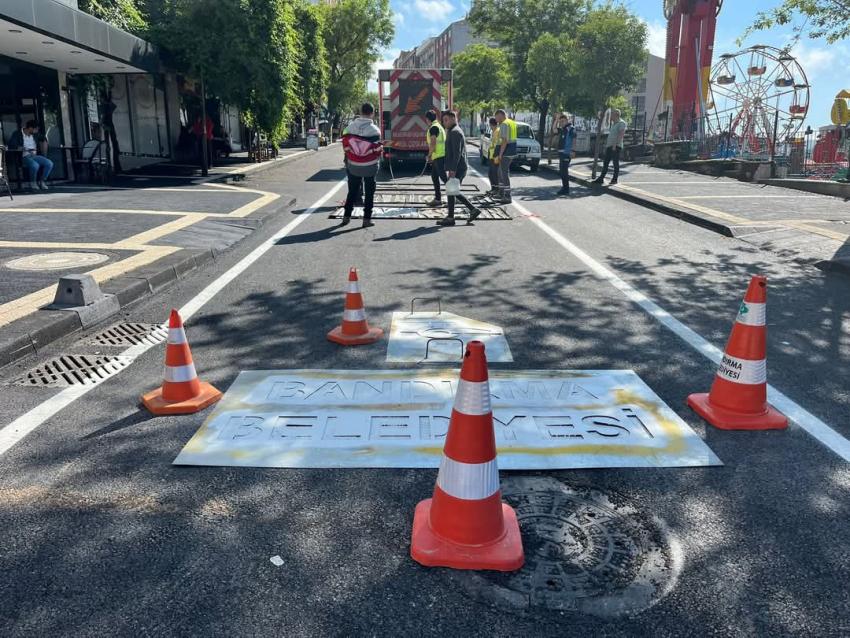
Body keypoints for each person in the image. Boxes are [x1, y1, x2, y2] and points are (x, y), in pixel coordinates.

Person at [341, 102, 383, 228]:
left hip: (353, 165)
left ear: (360, 111)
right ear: (372, 113)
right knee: (370, 192)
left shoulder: (350, 127)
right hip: (370, 166)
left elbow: (345, 146)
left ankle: (346, 216)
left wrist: (351, 157)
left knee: (352, 191)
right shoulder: (375, 130)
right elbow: (377, 150)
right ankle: (367, 219)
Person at [437, 110, 481, 227]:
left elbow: (457, 153)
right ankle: (451, 217)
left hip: (458, 167)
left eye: (446, 120)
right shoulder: (452, 131)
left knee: (453, 190)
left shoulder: (455, 132)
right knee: (451, 191)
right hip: (457, 167)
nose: (444, 122)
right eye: (443, 120)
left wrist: (453, 169)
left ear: (453, 118)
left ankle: (472, 209)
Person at [9, 120, 53, 191]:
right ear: (30, 128)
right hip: (24, 156)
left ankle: (42, 181)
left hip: (34, 156)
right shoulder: (17, 134)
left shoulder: (35, 134)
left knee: (49, 163)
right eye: (36, 129)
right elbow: (11, 145)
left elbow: (43, 138)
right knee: (35, 165)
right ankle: (33, 182)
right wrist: (20, 148)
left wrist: (44, 148)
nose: (37, 131)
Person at [593, 108, 626, 186]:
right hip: (609, 146)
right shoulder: (613, 124)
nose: (610, 116)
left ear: (616, 115)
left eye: (612, 114)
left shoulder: (621, 123)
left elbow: (621, 135)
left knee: (615, 163)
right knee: (606, 163)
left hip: (616, 146)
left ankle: (614, 179)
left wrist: (615, 145)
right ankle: (601, 178)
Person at [494, 109, 517, 203]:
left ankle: (507, 196)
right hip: (512, 150)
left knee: (504, 173)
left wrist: (500, 154)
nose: (496, 119)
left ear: (500, 115)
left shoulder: (504, 124)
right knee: (500, 172)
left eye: (496, 117)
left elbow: (504, 141)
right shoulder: (511, 122)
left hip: (506, 152)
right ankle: (501, 193)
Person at [425, 109, 447, 206]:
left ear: (427, 119)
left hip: (438, 156)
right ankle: (438, 199)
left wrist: (429, 155)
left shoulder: (433, 128)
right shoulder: (439, 126)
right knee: (434, 177)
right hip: (439, 156)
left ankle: (456, 196)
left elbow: (433, 143)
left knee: (444, 179)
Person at [556, 114, 576, 196]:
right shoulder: (562, 129)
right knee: (562, 171)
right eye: (560, 122)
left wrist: (573, 150)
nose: (561, 123)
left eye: (563, 121)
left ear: (567, 121)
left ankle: (566, 189)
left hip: (566, 153)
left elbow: (574, 139)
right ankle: (564, 188)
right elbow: (554, 129)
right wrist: (556, 120)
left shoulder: (571, 128)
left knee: (564, 171)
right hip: (561, 153)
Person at [486, 117, 501, 197]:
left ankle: (496, 190)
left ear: (491, 124)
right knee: (491, 173)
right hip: (492, 156)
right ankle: (493, 189)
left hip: (495, 156)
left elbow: (498, 145)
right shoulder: (494, 131)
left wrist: (495, 155)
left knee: (494, 174)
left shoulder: (497, 132)